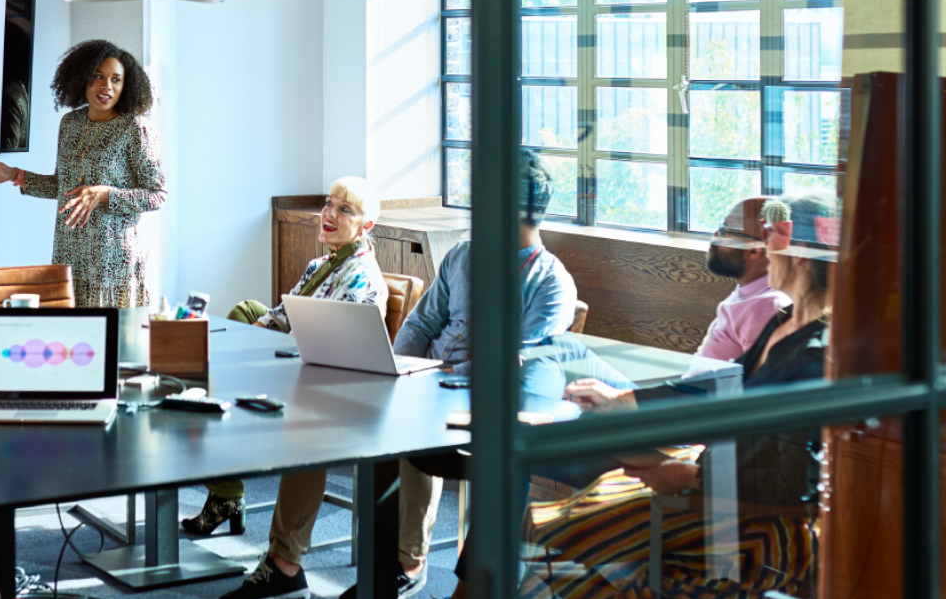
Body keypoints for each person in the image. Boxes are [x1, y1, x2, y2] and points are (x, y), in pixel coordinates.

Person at [446, 190, 837, 599]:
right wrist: (624, 402)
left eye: (770, 238)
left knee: (575, 532)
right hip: (710, 470)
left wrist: (693, 477)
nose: (763, 250)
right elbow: (720, 391)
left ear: (801, 253)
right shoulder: (784, 320)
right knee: (551, 488)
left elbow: (791, 481)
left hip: (742, 512)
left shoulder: (815, 350)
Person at [334, 154, 579, 599]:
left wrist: (446, 375)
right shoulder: (465, 254)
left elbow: (519, 362)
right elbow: (422, 324)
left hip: (478, 403)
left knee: (420, 432)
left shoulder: (551, 282)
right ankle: (393, 561)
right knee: (379, 416)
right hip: (428, 382)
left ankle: (409, 563)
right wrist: (395, 369)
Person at [180, 178, 388, 563]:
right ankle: (216, 415)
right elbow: (282, 316)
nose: (330, 214)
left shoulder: (362, 276)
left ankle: (223, 474)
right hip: (297, 358)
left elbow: (333, 346)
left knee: (206, 382)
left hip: (326, 383)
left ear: (366, 227)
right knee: (244, 311)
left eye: (345, 210)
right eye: (329, 204)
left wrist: (255, 351)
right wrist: (253, 335)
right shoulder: (320, 265)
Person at [0, 39, 166, 308]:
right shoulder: (70, 123)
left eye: (116, 80)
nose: (107, 86)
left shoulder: (135, 128)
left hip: (115, 263)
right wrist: (15, 174)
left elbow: (157, 195)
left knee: (114, 343)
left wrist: (104, 194)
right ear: (82, 78)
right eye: (98, 77)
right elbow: (63, 187)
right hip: (70, 254)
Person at [694, 196, 791, 363]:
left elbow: (758, 385)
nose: (715, 235)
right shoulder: (750, 294)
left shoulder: (766, 307)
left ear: (754, 250)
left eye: (726, 231)